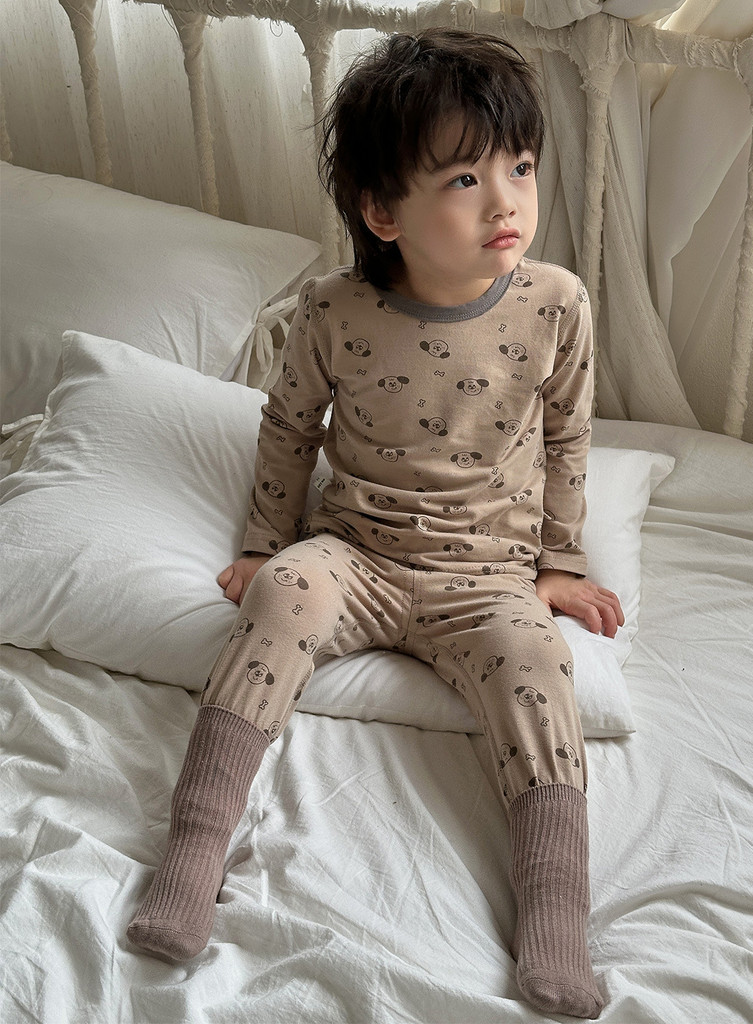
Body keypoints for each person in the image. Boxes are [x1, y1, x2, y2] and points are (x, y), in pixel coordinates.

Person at [126, 28, 621, 1020]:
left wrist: (560, 561)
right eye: (465, 180)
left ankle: (556, 914)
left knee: (537, 659)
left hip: (488, 572)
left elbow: (570, 435)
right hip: (356, 552)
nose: (507, 201)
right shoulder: (334, 311)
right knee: (281, 596)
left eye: (520, 168)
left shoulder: (556, 305)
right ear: (382, 211)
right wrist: (264, 543)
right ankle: (193, 854)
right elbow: (288, 429)